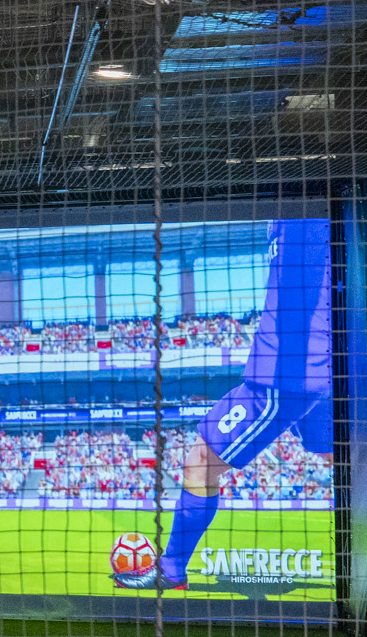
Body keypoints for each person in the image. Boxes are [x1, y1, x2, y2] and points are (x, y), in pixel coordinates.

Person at [133, 219, 332, 590]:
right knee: (342, 458)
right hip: (319, 365)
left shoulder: (302, 211)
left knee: (200, 462)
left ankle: (171, 570)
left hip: (285, 373)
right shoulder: (315, 217)